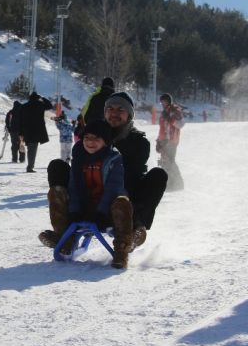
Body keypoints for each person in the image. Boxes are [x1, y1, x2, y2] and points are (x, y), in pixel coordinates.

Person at [39, 120, 133, 268]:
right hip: (85, 205)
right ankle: (65, 238)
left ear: (106, 141)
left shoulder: (114, 159)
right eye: (87, 138)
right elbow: (74, 186)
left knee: (122, 201)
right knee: (57, 192)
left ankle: (122, 250)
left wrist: (101, 213)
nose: (90, 142)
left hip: (107, 209)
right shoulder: (79, 157)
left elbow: (113, 188)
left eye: (96, 138)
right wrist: (75, 211)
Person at [104, 92, 167, 247]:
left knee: (158, 175)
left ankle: (136, 227)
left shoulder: (139, 141)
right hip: (96, 191)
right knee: (59, 166)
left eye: (120, 110)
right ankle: (63, 230)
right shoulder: (95, 136)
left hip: (128, 195)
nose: (114, 114)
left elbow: (132, 174)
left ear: (129, 115)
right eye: (110, 109)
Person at [156, 93, 185, 191]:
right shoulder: (164, 112)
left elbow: (181, 124)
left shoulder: (175, 110)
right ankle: (169, 184)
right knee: (164, 162)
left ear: (169, 101)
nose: (163, 103)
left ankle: (178, 184)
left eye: (165, 101)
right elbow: (162, 128)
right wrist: (158, 141)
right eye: (162, 102)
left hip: (172, 140)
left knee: (170, 161)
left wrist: (170, 119)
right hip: (164, 140)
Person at [20, 91, 53, 172]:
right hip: (38, 131)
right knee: (33, 149)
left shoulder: (24, 106)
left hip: (27, 130)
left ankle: (30, 166)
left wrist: (21, 132)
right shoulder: (40, 105)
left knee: (31, 148)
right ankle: (30, 167)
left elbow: (21, 120)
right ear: (37, 97)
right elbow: (50, 106)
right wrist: (43, 98)